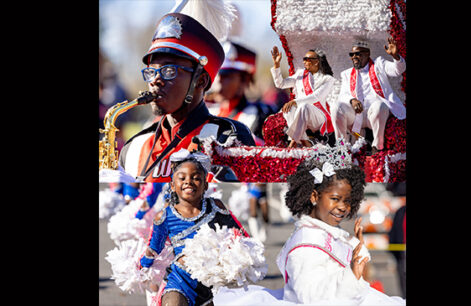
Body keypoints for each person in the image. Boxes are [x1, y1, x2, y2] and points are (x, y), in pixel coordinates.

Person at [213, 143, 405, 305]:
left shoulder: (328, 234)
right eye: (335, 199)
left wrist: (357, 254)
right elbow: (311, 298)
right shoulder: (305, 246)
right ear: (314, 196)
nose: (342, 207)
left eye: (347, 201)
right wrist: (352, 273)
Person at [117, 13, 255, 183]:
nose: (155, 81)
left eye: (169, 71)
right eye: (151, 72)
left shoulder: (227, 138)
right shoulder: (134, 147)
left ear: (201, 81)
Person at [138, 149, 249, 306]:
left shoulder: (215, 206)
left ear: (205, 185)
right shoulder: (164, 216)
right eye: (182, 178)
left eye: (196, 178)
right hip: (179, 280)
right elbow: (154, 247)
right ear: (172, 185)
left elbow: (240, 234)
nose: (188, 181)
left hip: (211, 283)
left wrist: (245, 253)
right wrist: (141, 267)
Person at [332, 37, 406, 154]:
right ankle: (342, 148)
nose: (354, 57)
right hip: (356, 115)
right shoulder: (346, 74)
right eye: (352, 54)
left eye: (358, 54)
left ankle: (377, 147)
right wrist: (352, 100)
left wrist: (396, 57)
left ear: (367, 54)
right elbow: (343, 95)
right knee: (336, 107)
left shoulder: (379, 64)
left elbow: (397, 70)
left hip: (375, 115)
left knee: (379, 105)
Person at [205, 40, 276, 146]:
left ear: (244, 80)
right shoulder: (207, 112)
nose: (219, 80)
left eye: (227, 76)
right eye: (218, 74)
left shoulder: (264, 114)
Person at [270, 46, 336, 148]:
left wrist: (295, 101)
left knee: (303, 106)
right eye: (304, 59)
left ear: (316, 62)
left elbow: (316, 96)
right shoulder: (300, 74)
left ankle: (293, 142)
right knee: (288, 109)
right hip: (301, 115)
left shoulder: (327, 79)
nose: (304, 61)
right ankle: (304, 141)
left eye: (307, 59)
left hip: (318, 117)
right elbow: (281, 84)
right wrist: (276, 65)